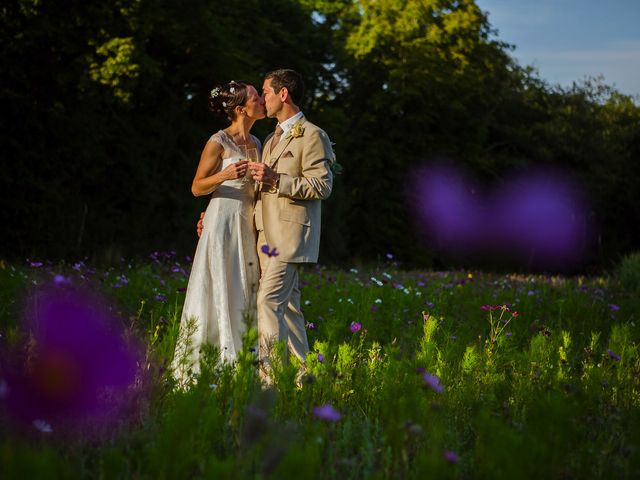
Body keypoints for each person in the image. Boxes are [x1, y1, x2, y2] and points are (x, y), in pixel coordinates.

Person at [172, 81, 265, 388]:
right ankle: (206, 364)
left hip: (246, 225)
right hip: (221, 221)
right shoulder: (219, 141)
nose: (262, 100)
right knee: (218, 284)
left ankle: (241, 366)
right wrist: (225, 174)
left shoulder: (258, 142)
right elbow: (197, 187)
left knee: (242, 287)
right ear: (241, 109)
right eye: (256, 97)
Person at [248, 69, 334, 379]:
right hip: (264, 237)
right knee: (290, 307)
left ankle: (272, 381)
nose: (262, 98)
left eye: (266, 92)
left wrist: (277, 180)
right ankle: (303, 377)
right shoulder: (271, 138)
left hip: (289, 235)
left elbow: (322, 186)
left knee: (268, 301)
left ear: (283, 94)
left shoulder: (312, 135)